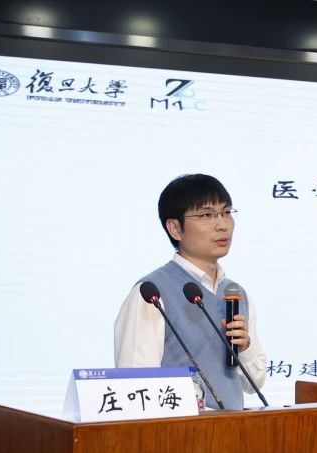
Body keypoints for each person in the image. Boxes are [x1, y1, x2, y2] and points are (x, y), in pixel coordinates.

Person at [114, 174, 267, 409]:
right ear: (175, 228)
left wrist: (245, 347)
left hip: (233, 428)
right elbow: (135, 388)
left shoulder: (235, 294)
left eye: (226, 212)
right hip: (178, 430)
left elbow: (255, 382)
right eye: (206, 215)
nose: (222, 225)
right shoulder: (151, 294)